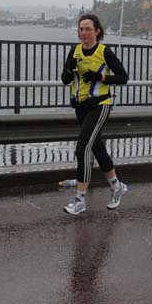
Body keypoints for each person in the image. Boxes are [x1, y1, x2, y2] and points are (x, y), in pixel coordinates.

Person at [60, 14, 128, 215]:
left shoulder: (104, 51)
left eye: (88, 29)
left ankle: (80, 200)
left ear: (97, 31)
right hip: (80, 107)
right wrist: (69, 71)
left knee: (82, 149)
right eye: (81, 29)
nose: (83, 33)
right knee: (97, 149)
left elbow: (123, 77)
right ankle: (117, 187)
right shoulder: (75, 51)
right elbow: (65, 79)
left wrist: (101, 76)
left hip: (100, 105)